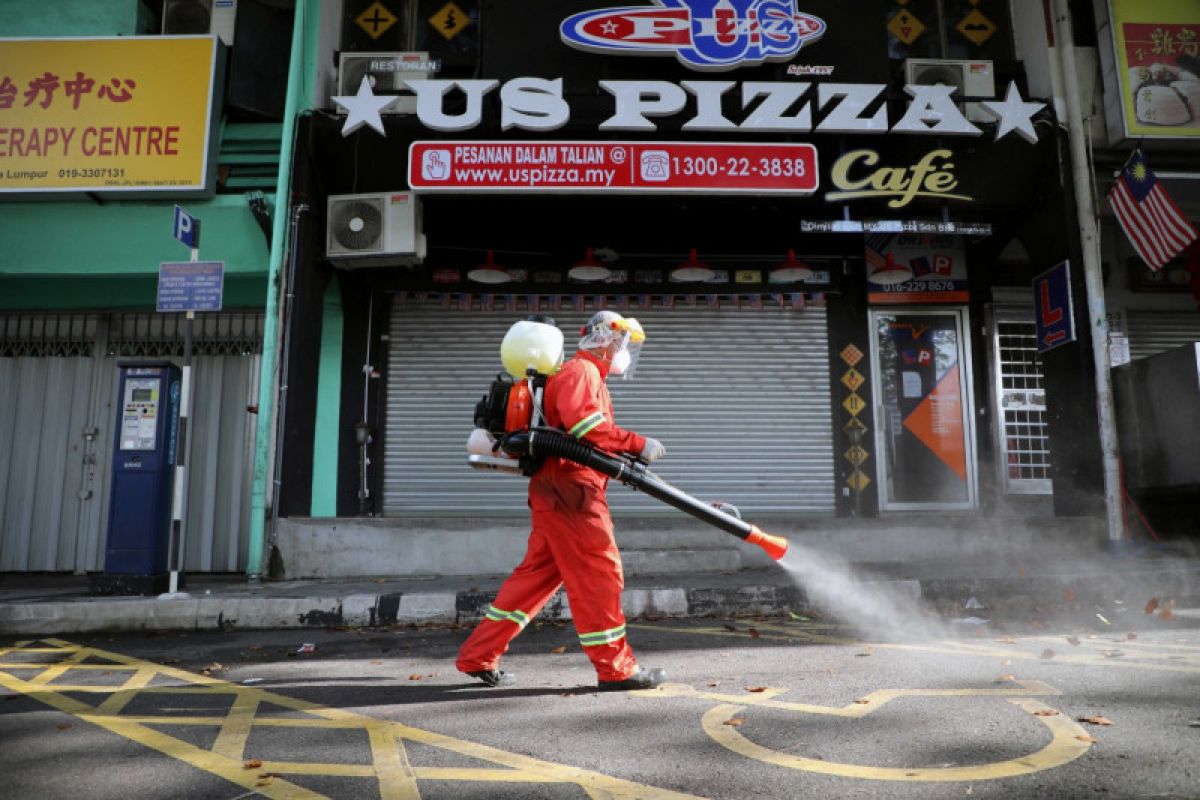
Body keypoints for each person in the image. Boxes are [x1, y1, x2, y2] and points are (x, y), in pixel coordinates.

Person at [456, 310, 668, 691]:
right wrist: (637, 443)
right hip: (571, 492)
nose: (625, 353)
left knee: (532, 581)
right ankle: (616, 669)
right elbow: (586, 426)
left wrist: (621, 455)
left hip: (557, 491)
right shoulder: (581, 372)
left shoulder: (584, 375)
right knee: (599, 575)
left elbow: (585, 434)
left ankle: (477, 656)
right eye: (623, 344)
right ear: (605, 340)